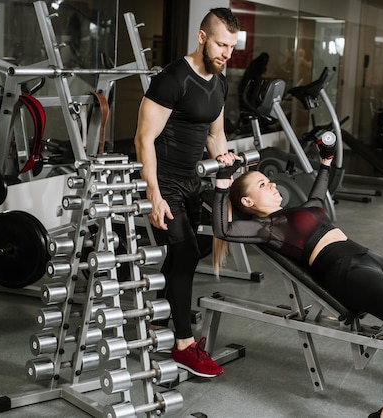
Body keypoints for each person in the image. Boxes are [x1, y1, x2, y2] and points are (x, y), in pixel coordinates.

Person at [209, 144, 383, 418]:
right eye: (263, 184)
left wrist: (326, 160)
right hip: (347, 272)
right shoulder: (267, 228)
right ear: (247, 203)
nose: (272, 183)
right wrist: (222, 182)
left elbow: (318, 193)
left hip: (375, 260)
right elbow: (224, 229)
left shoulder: (306, 207)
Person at [133, 7, 240, 378]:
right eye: (221, 44)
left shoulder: (220, 81)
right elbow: (143, 139)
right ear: (201, 37)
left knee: (182, 258)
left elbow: (215, 134)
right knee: (186, 252)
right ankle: (183, 343)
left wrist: (223, 158)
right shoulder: (172, 79)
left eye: (232, 47)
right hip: (166, 184)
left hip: (194, 183)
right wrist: (154, 194)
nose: (226, 53)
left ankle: (160, 323)